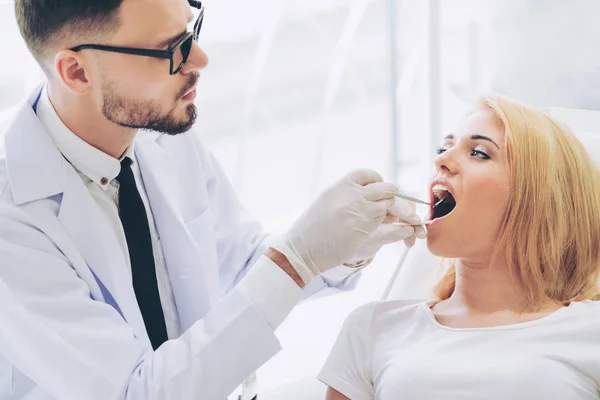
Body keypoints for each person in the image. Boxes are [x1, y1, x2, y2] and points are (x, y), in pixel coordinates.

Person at [0, 0, 426, 399]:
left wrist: (345, 246)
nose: (199, 59)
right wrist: (298, 257)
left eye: (192, 29)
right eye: (170, 49)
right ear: (76, 72)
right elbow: (138, 391)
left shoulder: (159, 135)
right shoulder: (13, 222)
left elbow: (241, 267)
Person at [319, 94, 600, 400]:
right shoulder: (372, 328)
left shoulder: (590, 330)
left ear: (540, 199)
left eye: (479, 153)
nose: (441, 160)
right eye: (444, 148)